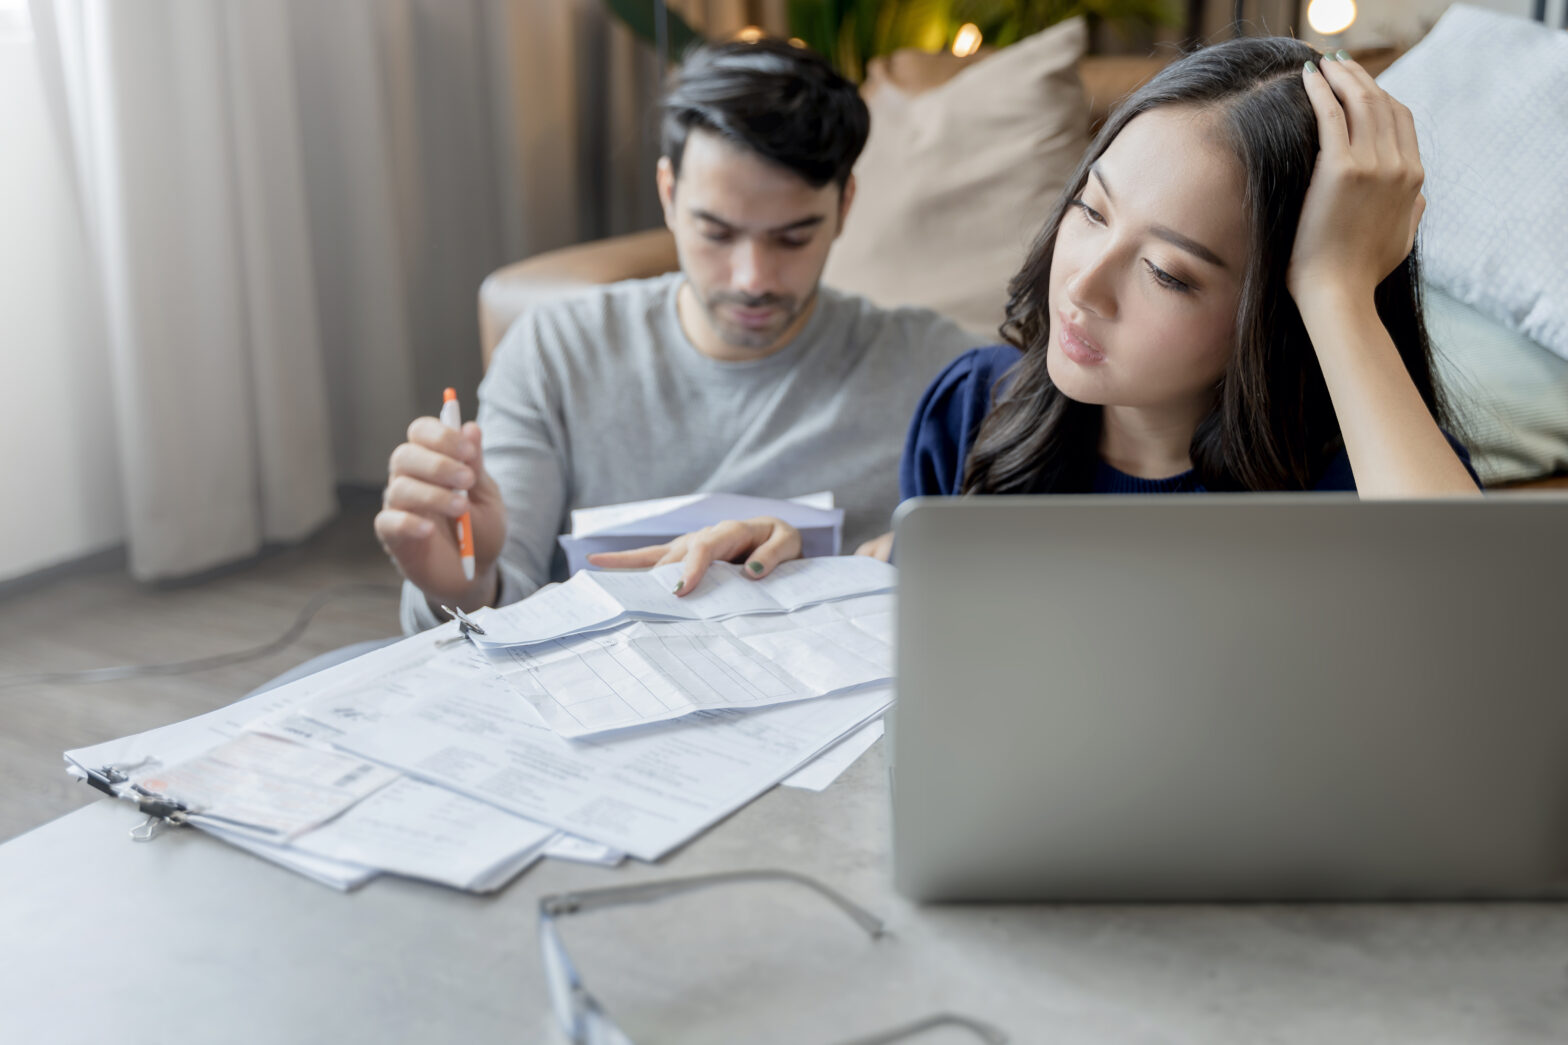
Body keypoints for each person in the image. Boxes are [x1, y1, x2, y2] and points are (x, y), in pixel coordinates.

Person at [595, 38, 1483, 593]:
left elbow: (1479, 636)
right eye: (1090, 211)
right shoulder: (975, 411)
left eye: (1168, 273)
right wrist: (813, 579)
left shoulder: (1358, 471)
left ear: (1275, 306)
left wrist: (1336, 287)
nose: (1083, 286)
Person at [375, 39, 982, 632]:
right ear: (668, 194)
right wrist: (462, 585)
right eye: (717, 233)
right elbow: (494, 610)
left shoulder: (938, 370)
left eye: (792, 238)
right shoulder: (556, 353)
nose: (753, 279)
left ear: (845, 206)